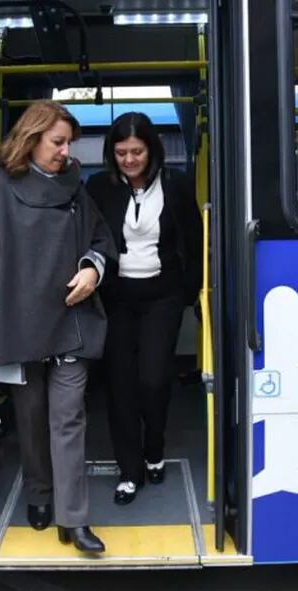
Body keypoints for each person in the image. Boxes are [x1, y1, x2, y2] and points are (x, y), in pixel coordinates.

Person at [0, 101, 116, 553]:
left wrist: (91, 270)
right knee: (31, 419)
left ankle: (73, 520)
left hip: (71, 320)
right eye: (57, 142)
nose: (65, 151)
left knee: (68, 420)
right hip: (18, 322)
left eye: (68, 143)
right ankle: (39, 494)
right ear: (32, 138)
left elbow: (102, 241)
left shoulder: (76, 188)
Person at [86, 112, 202, 506]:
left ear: (152, 150)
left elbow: (194, 238)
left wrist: (190, 293)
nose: (129, 160)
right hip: (116, 297)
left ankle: (155, 447)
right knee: (120, 387)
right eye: (121, 153)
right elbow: (89, 237)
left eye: (137, 151)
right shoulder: (99, 187)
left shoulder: (178, 185)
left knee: (153, 380)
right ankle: (129, 470)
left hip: (163, 297)